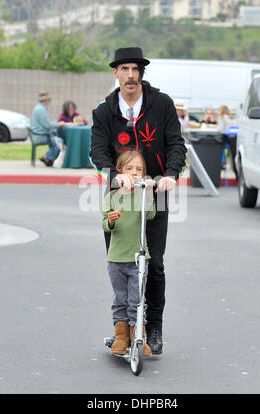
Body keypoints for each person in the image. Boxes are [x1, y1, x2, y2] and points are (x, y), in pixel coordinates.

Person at [90, 47, 187, 354]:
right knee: (120, 265)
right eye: (124, 69)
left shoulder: (162, 104)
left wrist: (171, 174)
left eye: (135, 69)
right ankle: (124, 329)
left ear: (142, 74)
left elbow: (177, 146)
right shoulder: (104, 111)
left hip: (152, 194)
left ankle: (152, 327)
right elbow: (97, 153)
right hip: (119, 197)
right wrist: (114, 177)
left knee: (153, 264)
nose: (130, 75)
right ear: (116, 73)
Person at [101, 150, 155, 357]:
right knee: (120, 299)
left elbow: (149, 214)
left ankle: (138, 337)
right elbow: (106, 224)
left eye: (139, 169)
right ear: (120, 172)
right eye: (129, 168)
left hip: (139, 258)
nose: (134, 173)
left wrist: (148, 191)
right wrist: (112, 220)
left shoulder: (143, 196)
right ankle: (121, 337)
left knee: (137, 299)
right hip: (116, 258)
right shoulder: (112, 197)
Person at [30, 91, 65, 167]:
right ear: (46, 100)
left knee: (56, 139)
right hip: (40, 136)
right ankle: (47, 157)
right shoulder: (41, 110)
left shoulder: (38, 108)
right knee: (60, 142)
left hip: (37, 135)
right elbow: (48, 125)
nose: (50, 102)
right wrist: (59, 124)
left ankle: (49, 158)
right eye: (49, 100)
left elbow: (46, 123)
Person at [217, 105, 238, 179]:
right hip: (234, 139)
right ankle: (237, 173)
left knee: (217, 148)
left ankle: (221, 164)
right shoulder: (232, 118)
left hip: (226, 139)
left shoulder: (221, 118)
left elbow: (221, 130)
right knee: (234, 156)